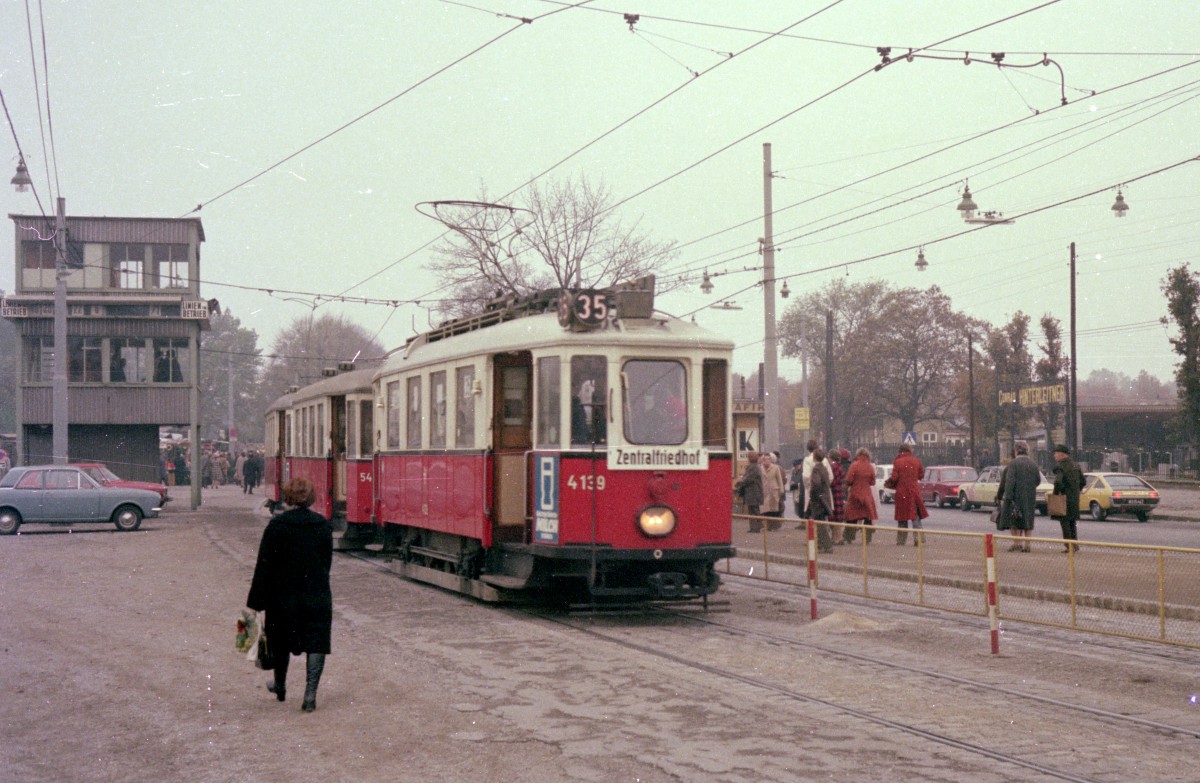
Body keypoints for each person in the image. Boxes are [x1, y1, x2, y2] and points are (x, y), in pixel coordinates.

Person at [247, 477, 333, 713]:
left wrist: (255, 602)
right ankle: (310, 696)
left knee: (280, 640)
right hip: (316, 594)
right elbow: (327, 563)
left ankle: (281, 687)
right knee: (316, 641)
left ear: (288, 497)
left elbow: (263, 566)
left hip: (282, 596)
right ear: (311, 497)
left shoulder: (276, 526)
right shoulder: (322, 525)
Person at [999, 440, 1040, 552]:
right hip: (1030, 496)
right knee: (1028, 520)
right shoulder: (1033, 464)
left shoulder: (1013, 464)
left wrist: (1008, 496)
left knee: (1015, 520)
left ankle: (1017, 543)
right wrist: (1029, 488)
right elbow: (1038, 480)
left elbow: (1010, 482)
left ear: (1016, 451)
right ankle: (1028, 545)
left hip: (1015, 497)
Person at [889, 443, 927, 546]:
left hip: (902, 492)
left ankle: (901, 540)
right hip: (914, 491)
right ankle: (918, 539)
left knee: (902, 517)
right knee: (915, 516)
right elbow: (921, 475)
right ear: (910, 450)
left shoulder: (897, 462)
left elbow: (894, 478)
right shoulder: (916, 461)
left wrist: (890, 483)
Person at [1051, 444, 1084, 553]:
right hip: (1074, 498)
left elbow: (1058, 482)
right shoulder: (1076, 465)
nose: (1054, 456)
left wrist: (1056, 494)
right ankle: (1074, 544)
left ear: (1061, 454)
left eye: (1055, 453)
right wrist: (1076, 490)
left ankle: (1068, 546)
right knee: (1072, 522)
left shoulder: (1060, 466)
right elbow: (1083, 481)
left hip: (1064, 498)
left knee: (1064, 522)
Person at [842, 448, 878, 544]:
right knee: (868, 517)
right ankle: (867, 539)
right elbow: (873, 482)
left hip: (855, 493)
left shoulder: (854, 465)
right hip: (867, 494)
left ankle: (849, 537)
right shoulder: (870, 466)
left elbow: (849, 480)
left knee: (852, 516)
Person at [808, 449, 835, 553]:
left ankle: (826, 545)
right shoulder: (824, 468)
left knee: (820, 525)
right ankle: (822, 545)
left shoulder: (816, 469)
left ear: (814, 457)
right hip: (825, 498)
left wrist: (814, 493)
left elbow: (816, 483)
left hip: (818, 500)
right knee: (822, 522)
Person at [735, 452, 765, 532]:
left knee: (754, 510)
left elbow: (748, 479)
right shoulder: (755, 467)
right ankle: (754, 527)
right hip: (754, 492)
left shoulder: (753, 467)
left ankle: (757, 527)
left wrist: (740, 483)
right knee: (753, 510)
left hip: (753, 492)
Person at [759, 452, 785, 531]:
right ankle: (768, 526)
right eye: (764, 459)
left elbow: (779, 479)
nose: (766, 461)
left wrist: (781, 490)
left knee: (774, 510)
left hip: (774, 491)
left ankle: (774, 526)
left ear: (770, 460)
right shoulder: (760, 468)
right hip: (764, 491)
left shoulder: (775, 468)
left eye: (768, 459)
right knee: (765, 510)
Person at [829, 449, 848, 544]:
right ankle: (839, 537)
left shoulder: (833, 466)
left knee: (835, 516)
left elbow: (832, 480)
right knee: (839, 517)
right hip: (839, 491)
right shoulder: (840, 466)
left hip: (834, 492)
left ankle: (836, 538)